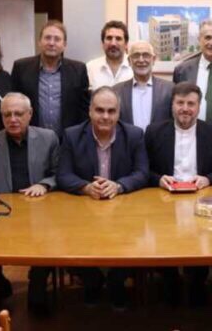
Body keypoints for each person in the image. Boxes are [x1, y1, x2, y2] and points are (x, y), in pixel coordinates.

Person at [56, 86, 149, 308]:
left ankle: (117, 283)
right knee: (67, 241)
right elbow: (63, 175)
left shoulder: (134, 135)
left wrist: (119, 186)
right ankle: (92, 281)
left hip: (123, 212)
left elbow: (142, 172)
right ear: (90, 111)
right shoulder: (72, 135)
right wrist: (86, 187)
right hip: (84, 212)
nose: (105, 116)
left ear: (118, 113)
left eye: (111, 111)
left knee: (135, 241)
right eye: (99, 110)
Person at [0, 92, 59, 309]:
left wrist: (44, 184)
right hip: (2, 214)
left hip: (40, 213)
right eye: (7, 114)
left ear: (30, 114)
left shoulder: (48, 138)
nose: (13, 119)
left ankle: (37, 284)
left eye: (18, 114)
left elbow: (60, 173)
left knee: (51, 239)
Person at [144, 82, 212, 306]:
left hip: (201, 200)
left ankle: (197, 285)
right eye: (180, 103)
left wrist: (208, 179)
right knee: (165, 242)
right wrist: (158, 179)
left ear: (199, 106)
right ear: (172, 105)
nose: (185, 108)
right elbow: (143, 169)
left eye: (191, 103)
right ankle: (170, 284)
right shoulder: (154, 131)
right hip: (164, 202)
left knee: (200, 245)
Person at [11, 20, 90, 137]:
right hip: (30, 138)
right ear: (39, 42)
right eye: (47, 38)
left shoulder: (78, 70)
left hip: (68, 140)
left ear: (64, 45)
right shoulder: (21, 68)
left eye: (57, 39)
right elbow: (13, 104)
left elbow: (84, 109)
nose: (52, 43)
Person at [113, 41, 173, 131]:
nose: (141, 60)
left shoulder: (170, 89)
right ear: (129, 61)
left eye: (146, 55)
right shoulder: (116, 91)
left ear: (153, 60)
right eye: (136, 55)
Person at [86, 20, 133, 90]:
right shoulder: (90, 68)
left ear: (126, 44)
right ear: (102, 43)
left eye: (118, 39)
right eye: (109, 38)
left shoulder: (134, 67)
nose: (113, 43)